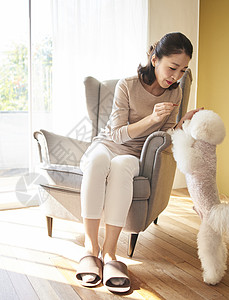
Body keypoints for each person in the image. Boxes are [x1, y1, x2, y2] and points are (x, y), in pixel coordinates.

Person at [75, 32, 202, 293]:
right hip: (107, 144)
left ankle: (110, 254)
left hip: (134, 155)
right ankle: (91, 249)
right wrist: (151, 118)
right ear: (155, 59)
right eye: (172, 67)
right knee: (98, 161)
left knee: (122, 168)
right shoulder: (127, 85)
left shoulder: (174, 94)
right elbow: (117, 133)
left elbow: (164, 135)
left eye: (183, 70)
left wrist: (181, 122)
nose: (176, 76)